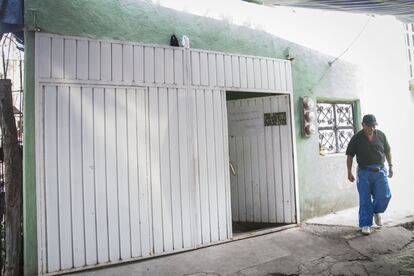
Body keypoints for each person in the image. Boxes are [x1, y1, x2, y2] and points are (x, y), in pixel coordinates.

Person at [346, 114, 393, 235]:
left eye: (374, 125)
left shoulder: (381, 135)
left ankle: (376, 211)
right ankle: (365, 224)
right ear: (363, 125)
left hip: (380, 171)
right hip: (364, 172)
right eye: (370, 126)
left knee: (385, 195)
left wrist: (391, 166)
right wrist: (349, 171)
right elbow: (350, 155)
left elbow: (387, 151)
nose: (372, 128)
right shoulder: (357, 138)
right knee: (365, 198)